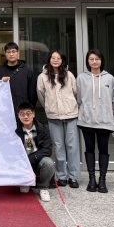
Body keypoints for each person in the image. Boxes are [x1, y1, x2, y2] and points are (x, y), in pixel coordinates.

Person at [37, 49, 80, 188]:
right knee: (58, 146)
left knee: (72, 146)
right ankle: (61, 176)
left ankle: (73, 176)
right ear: (49, 59)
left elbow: (75, 93)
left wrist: (70, 105)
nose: (55, 60)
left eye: (58, 58)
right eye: (53, 58)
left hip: (71, 114)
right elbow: (41, 95)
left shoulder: (69, 75)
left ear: (62, 60)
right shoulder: (43, 77)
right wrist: (49, 107)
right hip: (54, 116)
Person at [77, 49, 114, 193]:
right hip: (87, 120)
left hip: (105, 121)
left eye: (97, 59)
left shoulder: (110, 78)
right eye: (91, 59)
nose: (94, 61)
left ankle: (102, 180)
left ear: (102, 60)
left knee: (103, 150)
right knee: (89, 149)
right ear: (87, 61)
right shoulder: (81, 78)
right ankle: (91, 179)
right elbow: (79, 99)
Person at [15, 102, 54, 202]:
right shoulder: (15, 130)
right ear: (18, 116)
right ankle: (25, 182)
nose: (26, 117)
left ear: (33, 114)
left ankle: (43, 187)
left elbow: (47, 149)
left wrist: (32, 158)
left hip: (37, 161)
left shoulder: (42, 128)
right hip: (22, 163)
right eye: (22, 114)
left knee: (49, 163)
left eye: (28, 113)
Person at [0, 42, 36, 118]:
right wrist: (0, 82)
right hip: (3, 112)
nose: (11, 54)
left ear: (18, 53)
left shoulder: (27, 72)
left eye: (13, 51)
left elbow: (32, 94)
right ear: (5, 54)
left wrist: (29, 109)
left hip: (23, 112)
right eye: (8, 52)